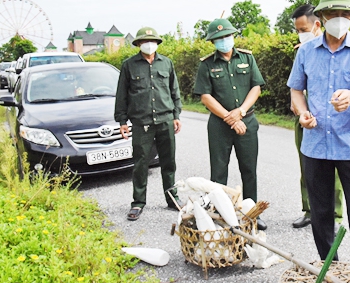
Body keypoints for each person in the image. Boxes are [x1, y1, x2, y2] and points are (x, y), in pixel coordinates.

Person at [287, 0, 350, 282]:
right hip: (315, 145)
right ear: (323, 17)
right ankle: (331, 272)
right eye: (333, 14)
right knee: (321, 214)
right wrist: (302, 112)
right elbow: (296, 91)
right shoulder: (305, 51)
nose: (339, 19)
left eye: (346, 14)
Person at [193, 18, 267, 230]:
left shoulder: (247, 58)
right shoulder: (207, 64)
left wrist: (241, 112)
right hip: (219, 126)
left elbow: (256, 88)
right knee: (218, 172)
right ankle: (218, 214)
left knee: (249, 170)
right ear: (212, 41)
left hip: (248, 121)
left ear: (233, 36)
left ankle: (252, 214)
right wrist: (231, 118)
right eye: (218, 38)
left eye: (226, 36)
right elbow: (205, 97)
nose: (223, 41)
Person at [114, 27, 183, 221]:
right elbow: (122, 95)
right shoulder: (129, 65)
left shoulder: (166, 63)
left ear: (157, 43)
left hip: (165, 120)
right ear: (138, 44)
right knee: (140, 163)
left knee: (168, 162)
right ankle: (138, 203)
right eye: (145, 41)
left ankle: (172, 199)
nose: (149, 44)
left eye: (152, 41)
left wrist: (176, 115)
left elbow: (174, 91)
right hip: (141, 121)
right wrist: (122, 121)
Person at [290, 4, 345, 231]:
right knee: (307, 168)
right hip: (305, 118)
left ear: (317, 25)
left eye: (303, 28)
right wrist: (299, 109)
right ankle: (310, 210)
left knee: (336, 170)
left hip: (334, 118)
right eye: (297, 30)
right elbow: (295, 86)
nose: (300, 33)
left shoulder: (340, 50)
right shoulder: (300, 51)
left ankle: (336, 214)